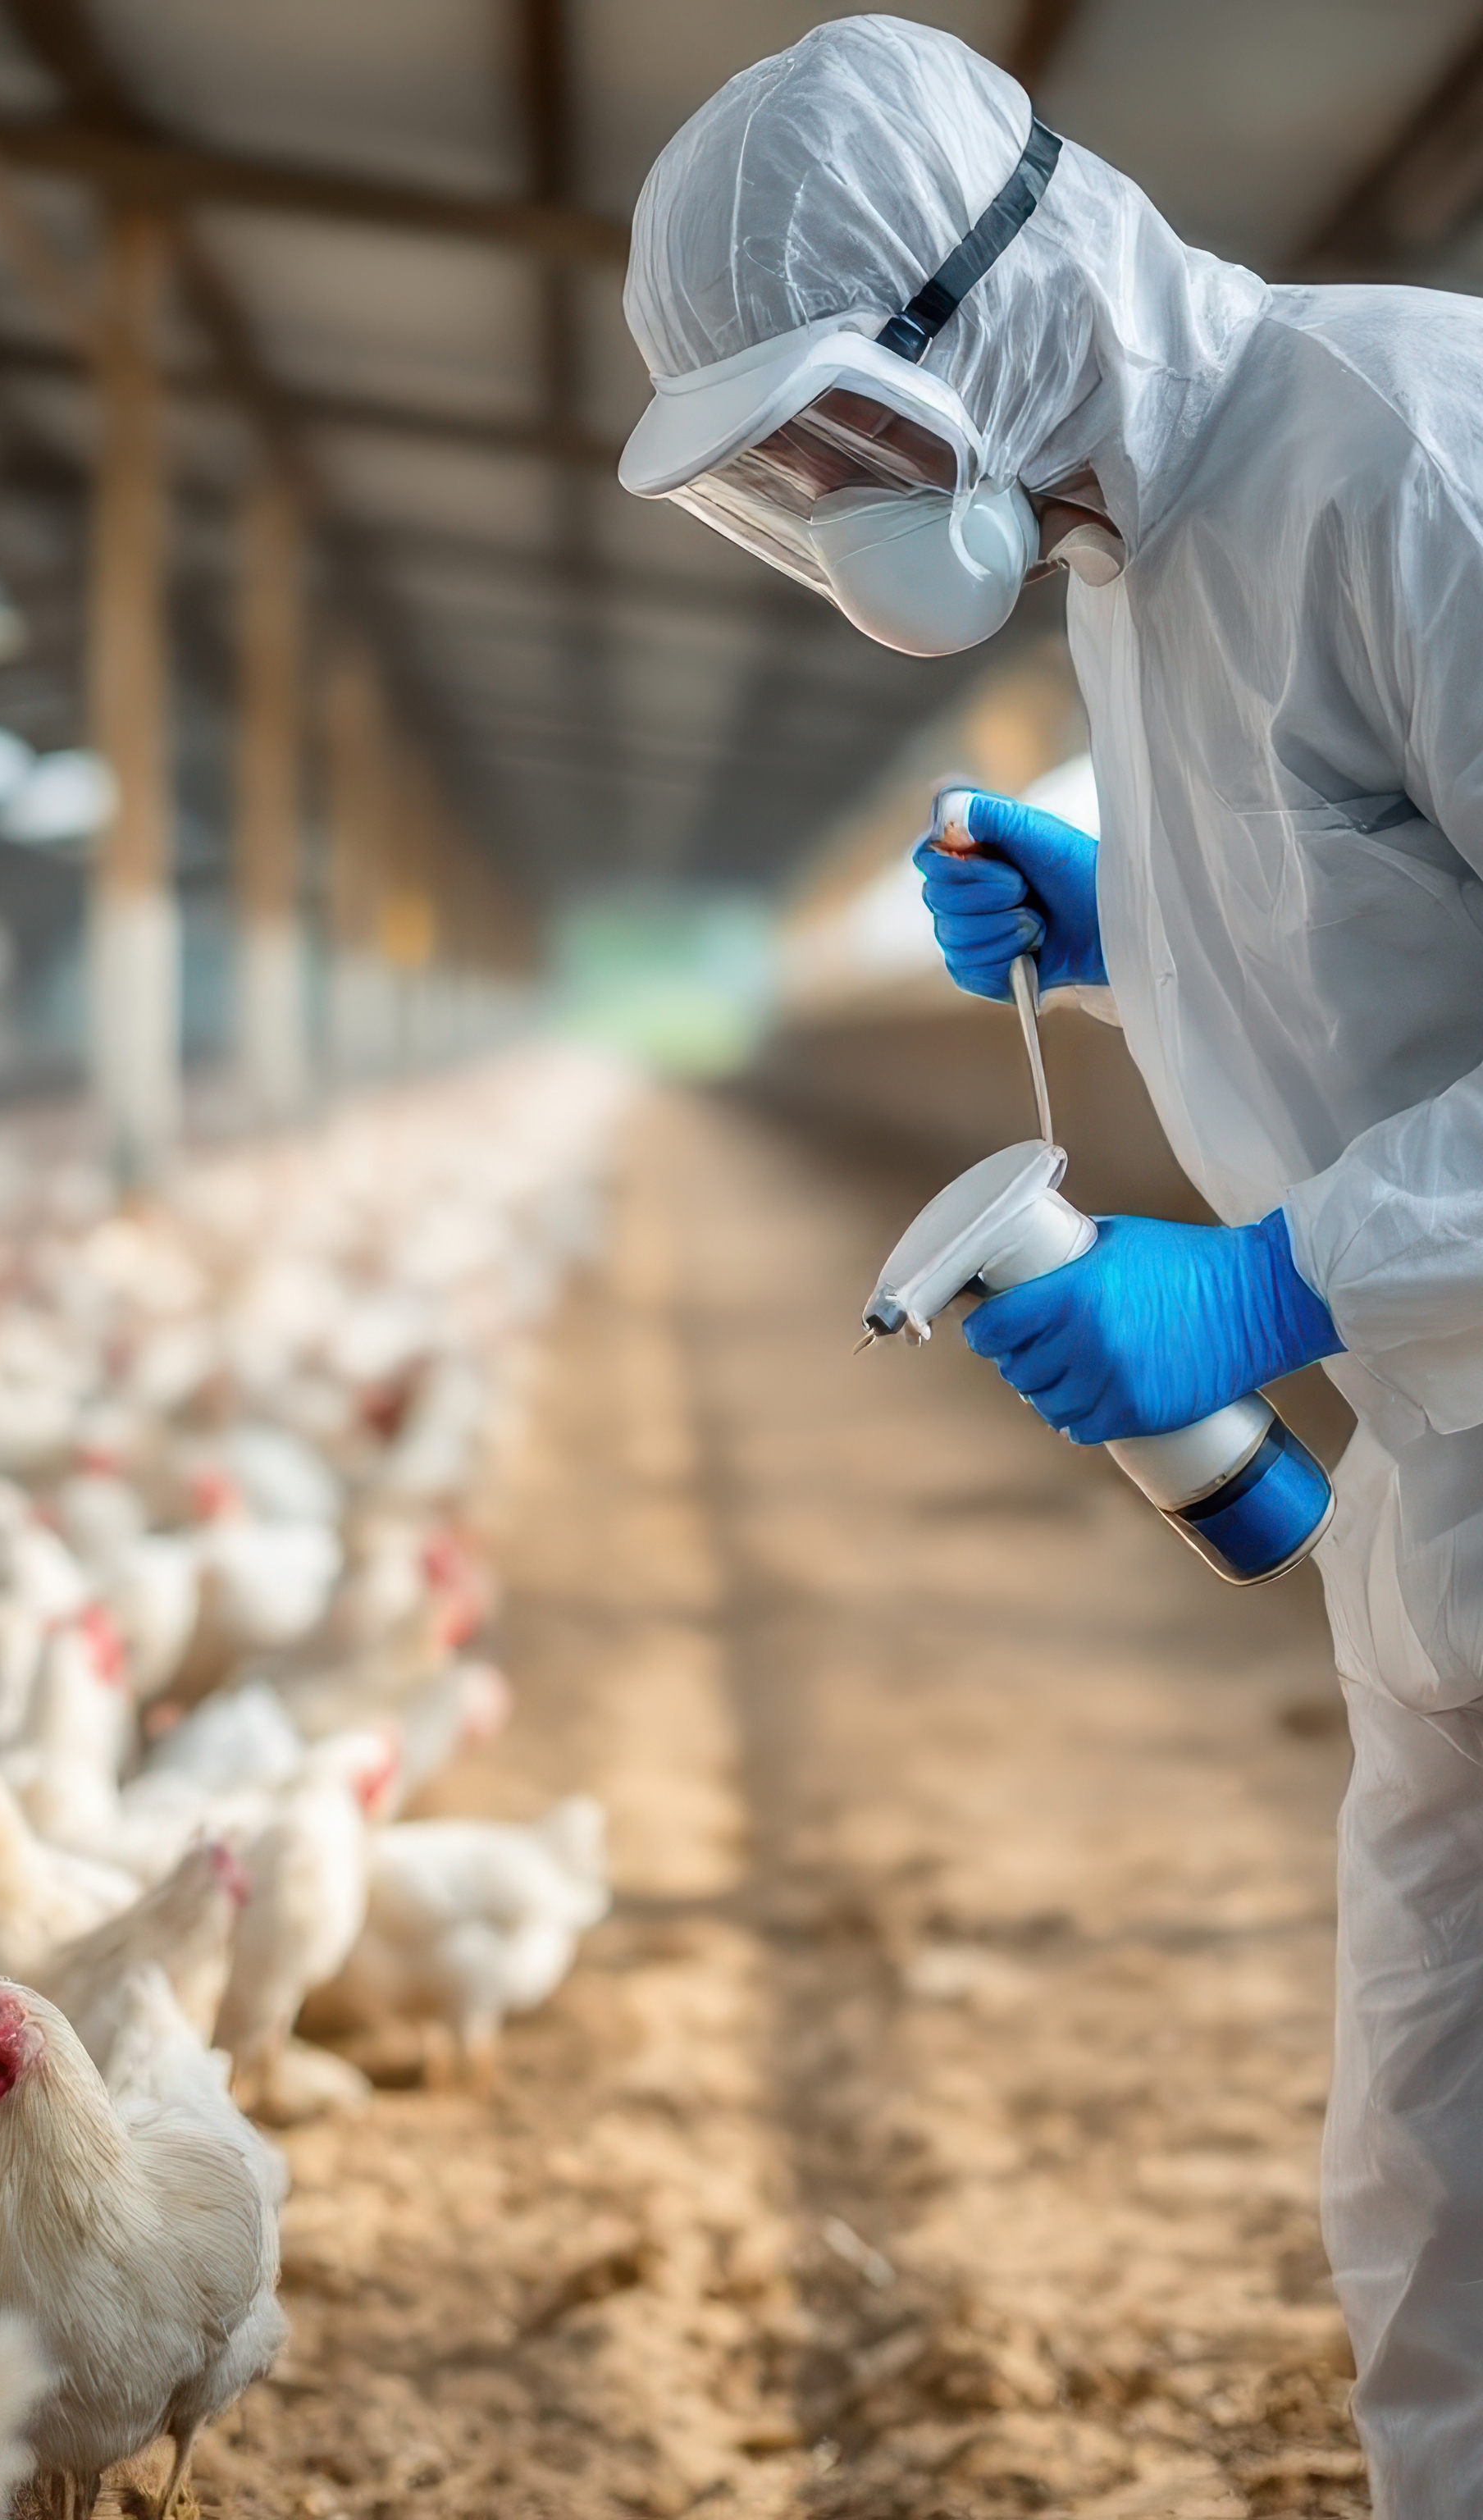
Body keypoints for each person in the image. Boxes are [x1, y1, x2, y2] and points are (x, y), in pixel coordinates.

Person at [618, 17, 1483, 2513]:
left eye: (843, 430)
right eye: (794, 469)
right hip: (1441, 1503)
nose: (834, 494)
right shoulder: (1130, 536)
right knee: (1433, 2218)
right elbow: (1385, 938)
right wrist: (1136, 944)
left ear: (1006, 296)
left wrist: (1272, 1289)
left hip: (1428, 1387)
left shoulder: (1401, 453)